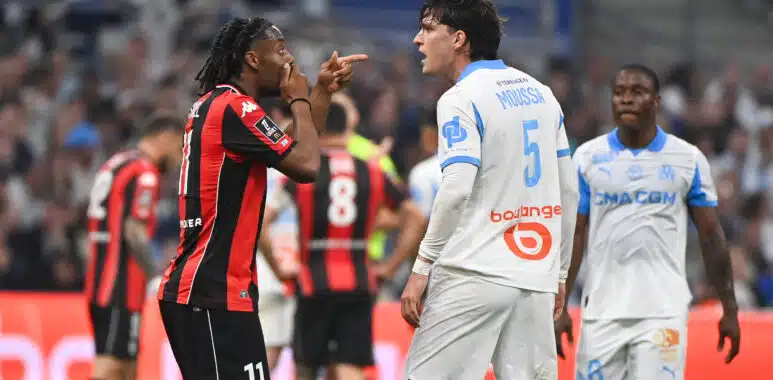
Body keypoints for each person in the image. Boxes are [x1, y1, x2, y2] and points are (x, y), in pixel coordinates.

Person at [156, 17, 367, 380]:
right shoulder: (236, 108)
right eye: (280, 49)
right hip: (211, 291)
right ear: (253, 59)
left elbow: (301, 144)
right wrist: (299, 96)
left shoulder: (224, 106)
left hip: (217, 291)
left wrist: (321, 92)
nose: (289, 59)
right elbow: (306, 166)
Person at [401, 0, 579, 378]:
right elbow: (569, 192)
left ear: (459, 39)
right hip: (535, 275)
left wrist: (421, 268)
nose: (418, 40)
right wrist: (559, 273)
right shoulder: (543, 94)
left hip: (474, 271)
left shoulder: (460, 99)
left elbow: (456, 189)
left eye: (429, 29)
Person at [555, 64, 741, 380]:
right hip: (602, 311)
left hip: (663, 311)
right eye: (619, 93)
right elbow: (576, 233)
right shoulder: (588, 157)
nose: (626, 99)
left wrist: (730, 308)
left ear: (656, 101)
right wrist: (560, 306)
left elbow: (712, 236)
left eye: (637, 92)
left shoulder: (688, 158)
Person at [259, 102, 427, 380]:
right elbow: (417, 217)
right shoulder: (372, 172)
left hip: (313, 280)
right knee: (350, 365)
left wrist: (277, 267)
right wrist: (391, 265)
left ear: (319, 131)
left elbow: (262, 222)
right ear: (347, 130)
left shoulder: (303, 175)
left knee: (306, 368)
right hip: (359, 282)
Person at [84, 113, 182, 380]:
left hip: (100, 281)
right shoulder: (145, 173)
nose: (177, 160)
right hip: (121, 288)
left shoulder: (117, 163)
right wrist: (153, 275)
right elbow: (134, 228)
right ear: (165, 137)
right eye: (177, 149)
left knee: (127, 367)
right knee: (112, 366)